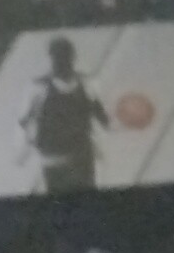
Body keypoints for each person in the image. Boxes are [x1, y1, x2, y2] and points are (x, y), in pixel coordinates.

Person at [23, 37, 110, 194]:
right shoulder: (39, 88)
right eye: (58, 57)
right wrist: (26, 148)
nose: (61, 61)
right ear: (52, 59)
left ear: (72, 57)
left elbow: (103, 119)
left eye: (65, 56)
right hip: (54, 159)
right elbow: (25, 122)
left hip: (81, 158)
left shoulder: (86, 84)